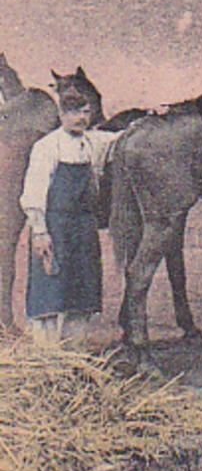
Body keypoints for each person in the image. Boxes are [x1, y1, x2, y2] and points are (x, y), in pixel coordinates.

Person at [20, 82, 119, 347]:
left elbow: (121, 139)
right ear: (62, 115)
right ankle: (48, 356)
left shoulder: (93, 142)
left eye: (86, 112)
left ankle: (73, 355)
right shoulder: (47, 146)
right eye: (75, 113)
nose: (81, 119)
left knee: (82, 294)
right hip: (55, 227)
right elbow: (34, 192)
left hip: (84, 228)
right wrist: (40, 233)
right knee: (49, 293)